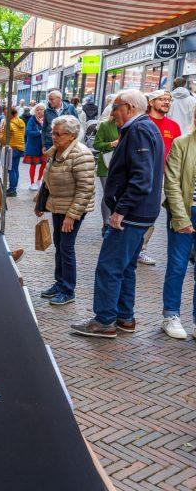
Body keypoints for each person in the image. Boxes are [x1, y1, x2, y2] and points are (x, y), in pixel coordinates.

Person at [71, 89, 164, 338]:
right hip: (140, 213)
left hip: (132, 214)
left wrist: (120, 210)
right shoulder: (145, 128)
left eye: (116, 107)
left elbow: (141, 178)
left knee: (109, 267)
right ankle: (124, 317)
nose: (112, 113)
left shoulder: (138, 130)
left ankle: (104, 320)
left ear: (130, 108)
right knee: (125, 268)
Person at [37, 116, 96, 306]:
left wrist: (72, 215)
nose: (54, 137)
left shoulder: (82, 155)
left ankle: (68, 289)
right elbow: (48, 180)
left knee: (66, 247)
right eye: (53, 133)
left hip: (72, 207)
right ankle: (60, 282)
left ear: (71, 136)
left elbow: (85, 189)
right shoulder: (56, 152)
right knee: (59, 244)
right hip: (58, 204)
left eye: (58, 134)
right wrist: (40, 203)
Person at [137, 90, 183, 266]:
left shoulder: (174, 126)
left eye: (168, 100)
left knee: (151, 214)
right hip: (142, 176)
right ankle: (131, 247)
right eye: (161, 99)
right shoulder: (142, 122)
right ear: (151, 102)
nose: (166, 102)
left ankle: (141, 250)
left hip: (164, 178)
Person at [161, 107, 196, 340]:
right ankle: (171, 315)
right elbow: (171, 182)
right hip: (186, 211)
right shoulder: (182, 143)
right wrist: (181, 218)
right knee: (177, 267)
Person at [93, 112, 120, 234]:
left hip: (123, 165)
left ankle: (117, 220)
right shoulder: (106, 125)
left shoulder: (131, 125)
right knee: (108, 193)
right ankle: (106, 223)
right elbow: (96, 144)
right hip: (107, 164)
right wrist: (111, 144)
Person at [0, 107, 26, 196]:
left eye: (6, 114)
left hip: (12, 148)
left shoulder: (9, 124)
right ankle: (14, 187)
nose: (5, 115)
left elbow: (4, 140)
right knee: (15, 169)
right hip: (20, 147)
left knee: (11, 170)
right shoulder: (21, 122)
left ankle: (12, 189)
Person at [25, 103, 48, 190]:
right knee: (33, 165)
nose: (39, 111)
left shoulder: (47, 119)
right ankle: (32, 182)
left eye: (41, 109)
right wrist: (40, 132)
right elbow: (28, 132)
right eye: (37, 110)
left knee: (44, 164)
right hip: (33, 146)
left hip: (44, 146)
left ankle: (39, 180)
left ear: (44, 110)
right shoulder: (32, 119)